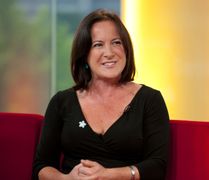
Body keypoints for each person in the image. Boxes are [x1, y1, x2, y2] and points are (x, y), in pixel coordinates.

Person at [33, 9, 170, 180]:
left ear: (126, 49)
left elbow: (158, 166)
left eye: (116, 42)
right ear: (84, 56)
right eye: (98, 44)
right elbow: (41, 167)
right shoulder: (62, 102)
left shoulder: (150, 100)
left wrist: (107, 175)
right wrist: (67, 179)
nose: (109, 52)